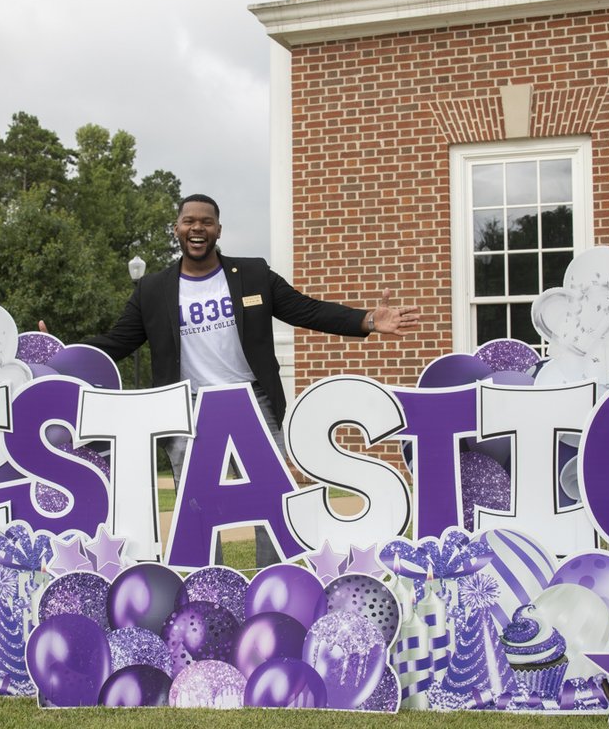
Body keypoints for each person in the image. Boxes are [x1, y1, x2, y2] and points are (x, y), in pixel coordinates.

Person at [41, 193, 418, 566]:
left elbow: (306, 310)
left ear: (218, 230)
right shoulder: (152, 290)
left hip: (253, 403)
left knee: (273, 495)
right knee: (196, 502)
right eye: (189, 221)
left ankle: (274, 575)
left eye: (206, 221)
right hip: (187, 408)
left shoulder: (253, 274)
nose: (197, 228)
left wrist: (367, 320)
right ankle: (207, 579)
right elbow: (116, 341)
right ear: (177, 229)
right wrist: (61, 351)